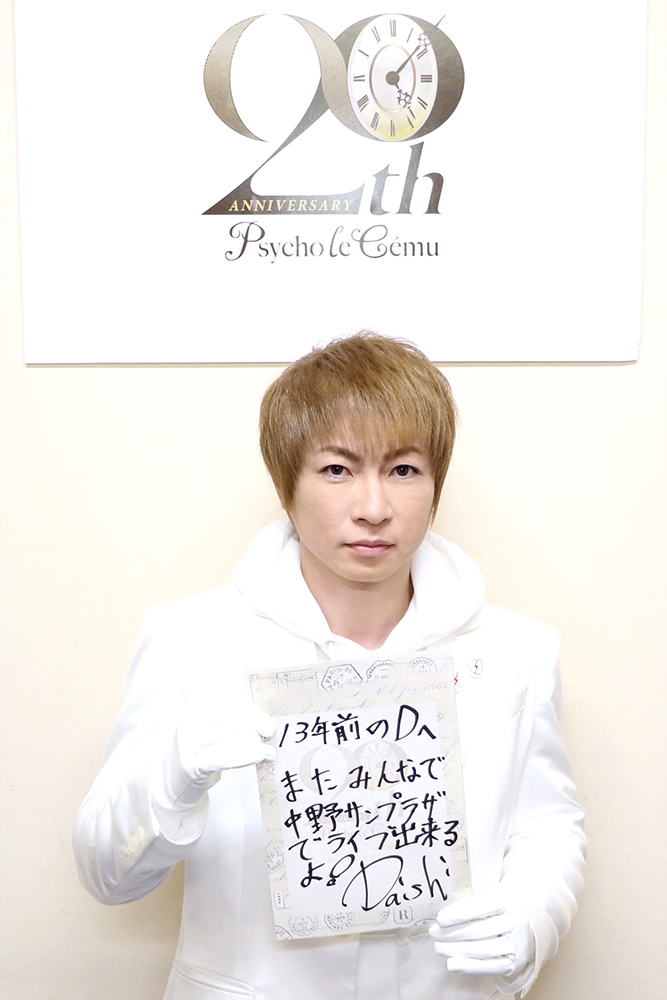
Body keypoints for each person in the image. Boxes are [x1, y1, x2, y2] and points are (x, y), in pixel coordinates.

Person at [73, 331, 586, 1000]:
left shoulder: (518, 650)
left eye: (403, 470)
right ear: (286, 486)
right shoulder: (190, 639)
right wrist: (173, 773)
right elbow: (107, 875)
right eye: (337, 470)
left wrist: (531, 919)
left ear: (435, 485)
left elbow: (547, 827)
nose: (373, 509)